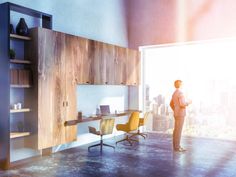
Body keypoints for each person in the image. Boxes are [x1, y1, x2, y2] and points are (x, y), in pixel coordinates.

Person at [170, 80, 191, 152]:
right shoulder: (181, 93)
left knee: (176, 130)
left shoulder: (174, 93)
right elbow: (182, 104)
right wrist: (188, 102)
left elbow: (171, 104)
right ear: (181, 85)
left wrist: (175, 109)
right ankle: (177, 147)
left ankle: (175, 146)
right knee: (179, 130)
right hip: (181, 114)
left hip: (176, 113)